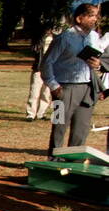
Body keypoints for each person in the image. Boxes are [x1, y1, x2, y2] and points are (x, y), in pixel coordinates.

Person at [42, 2, 105, 156]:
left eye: (96, 16)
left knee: (81, 129)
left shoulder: (94, 36)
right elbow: (46, 63)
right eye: (91, 16)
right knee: (59, 126)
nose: (95, 19)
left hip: (87, 88)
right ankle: (54, 162)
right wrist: (53, 86)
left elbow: (97, 61)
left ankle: (74, 163)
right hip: (64, 88)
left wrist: (98, 65)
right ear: (79, 18)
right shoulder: (65, 37)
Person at [27, 24, 60, 120]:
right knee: (34, 91)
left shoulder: (56, 39)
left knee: (46, 93)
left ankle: (41, 113)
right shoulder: (39, 38)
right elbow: (34, 49)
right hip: (39, 68)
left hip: (50, 68)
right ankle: (31, 113)